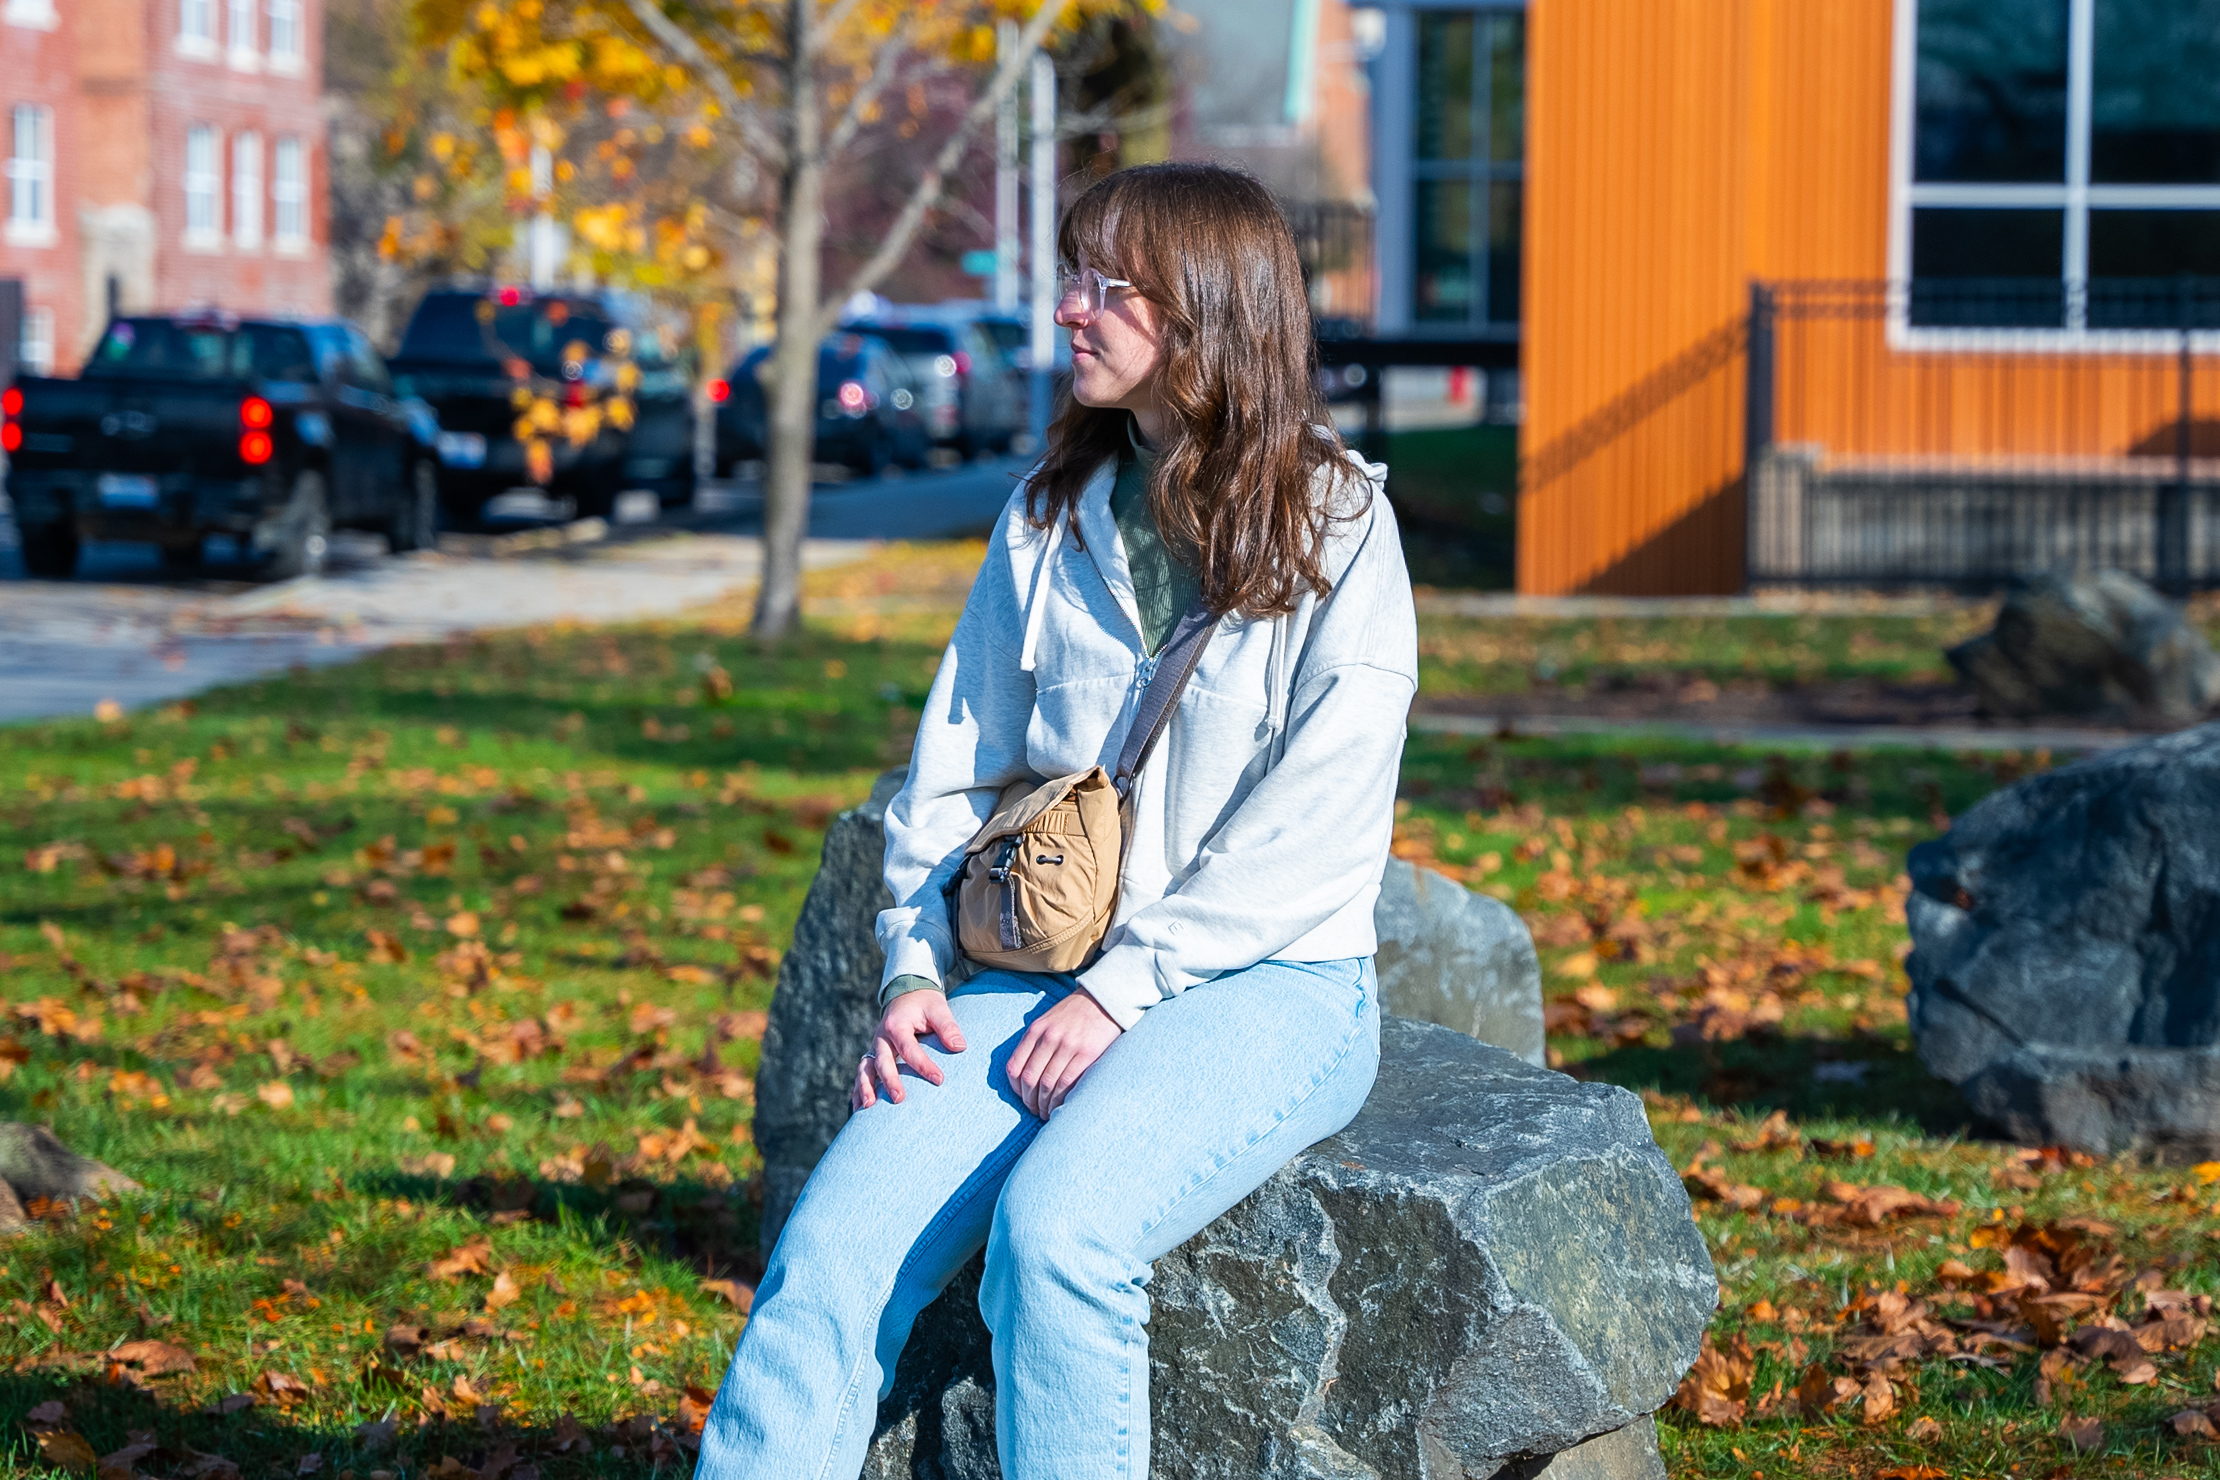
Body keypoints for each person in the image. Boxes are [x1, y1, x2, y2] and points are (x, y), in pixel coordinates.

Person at [698, 161, 1418, 1480]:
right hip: (1042, 971)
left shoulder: (1340, 522)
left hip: (1273, 983)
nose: (1069, 312)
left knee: (1059, 1238)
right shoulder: (1050, 517)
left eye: (1108, 287)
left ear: (1202, 312)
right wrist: (914, 965)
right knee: (834, 1251)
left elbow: (1318, 821)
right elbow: (954, 773)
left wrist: (1127, 991)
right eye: (1070, 279)